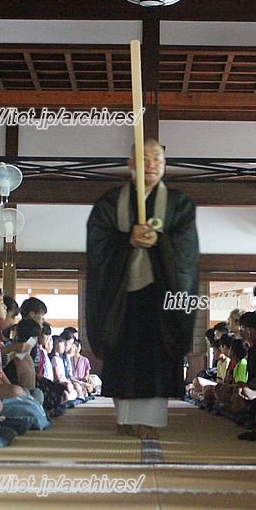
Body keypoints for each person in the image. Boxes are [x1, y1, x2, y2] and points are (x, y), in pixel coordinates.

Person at [86, 138, 199, 439]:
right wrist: (126, 240)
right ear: (130, 163)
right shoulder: (111, 202)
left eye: (158, 159)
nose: (151, 164)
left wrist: (160, 242)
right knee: (122, 354)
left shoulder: (179, 204)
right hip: (121, 293)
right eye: (144, 158)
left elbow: (187, 251)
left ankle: (149, 422)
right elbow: (98, 242)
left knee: (155, 358)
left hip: (160, 294)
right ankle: (123, 417)